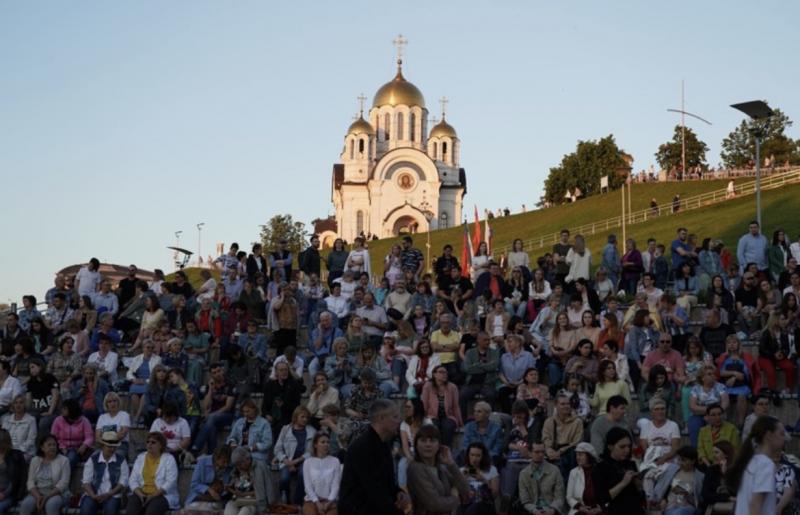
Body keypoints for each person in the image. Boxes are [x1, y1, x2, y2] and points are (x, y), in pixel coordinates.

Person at [339, 399, 411, 515]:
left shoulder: (384, 444)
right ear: (381, 419)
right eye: (395, 417)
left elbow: (386, 484)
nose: (399, 421)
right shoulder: (362, 447)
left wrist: (398, 493)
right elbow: (374, 490)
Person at [727, 416, 785, 515]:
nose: (784, 438)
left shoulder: (751, 461)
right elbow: (755, 504)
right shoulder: (765, 464)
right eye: (781, 434)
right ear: (769, 435)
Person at [407, 424, 470, 515]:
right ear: (416, 445)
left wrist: (451, 464)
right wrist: (456, 498)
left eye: (432, 440)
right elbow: (434, 504)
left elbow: (465, 490)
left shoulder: (441, 468)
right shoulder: (415, 468)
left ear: (439, 445)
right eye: (423, 440)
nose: (428, 444)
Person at [592, 427, 645, 515]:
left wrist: (639, 486)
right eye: (622, 447)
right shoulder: (601, 468)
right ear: (610, 447)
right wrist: (623, 483)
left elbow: (639, 496)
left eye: (629, 446)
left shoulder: (630, 464)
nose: (627, 450)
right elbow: (602, 498)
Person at [127, 432, 179, 515]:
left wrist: (152, 496)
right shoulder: (140, 457)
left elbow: (170, 482)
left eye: (153, 442)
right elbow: (132, 479)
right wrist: (140, 494)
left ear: (161, 445)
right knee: (132, 508)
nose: (149, 444)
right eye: (148, 442)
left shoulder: (169, 459)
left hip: (161, 495)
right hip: (142, 493)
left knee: (152, 511)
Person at [79, 431, 130, 515]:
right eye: (109, 446)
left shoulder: (121, 460)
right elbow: (86, 482)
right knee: (86, 510)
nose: (112, 449)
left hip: (113, 495)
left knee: (111, 511)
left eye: (114, 446)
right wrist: (93, 495)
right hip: (93, 494)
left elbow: (123, 482)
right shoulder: (93, 459)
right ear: (103, 446)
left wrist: (109, 494)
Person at [19, 435, 71, 515]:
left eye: (54, 445)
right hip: (37, 492)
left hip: (57, 493)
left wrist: (47, 497)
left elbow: (63, 483)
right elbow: (30, 482)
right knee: (26, 504)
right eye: (49, 445)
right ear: (42, 448)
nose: (52, 447)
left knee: (51, 505)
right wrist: (38, 496)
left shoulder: (64, 460)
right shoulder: (35, 460)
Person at [274, 406, 316, 505]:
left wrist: (295, 461)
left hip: (303, 461)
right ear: (296, 417)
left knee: (302, 475)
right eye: (302, 417)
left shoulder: (312, 431)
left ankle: (298, 501)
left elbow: (311, 452)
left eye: (307, 417)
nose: (305, 419)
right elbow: (277, 448)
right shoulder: (285, 429)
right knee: (284, 479)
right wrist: (287, 461)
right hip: (287, 460)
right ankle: (286, 497)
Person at [649, 446, 704, 515]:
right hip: (670, 506)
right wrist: (663, 500)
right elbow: (664, 488)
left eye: (683, 460)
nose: (680, 462)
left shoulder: (700, 477)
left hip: (687, 507)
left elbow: (700, 501)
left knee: (678, 513)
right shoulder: (672, 470)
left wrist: (687, 494)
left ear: (693, 461)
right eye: (679, 459)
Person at [542, 393, 584, 481]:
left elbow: (577, 442)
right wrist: (550, 451)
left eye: (568, 404)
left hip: (569, 452)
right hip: (554, 451)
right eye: (562, 404)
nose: (566, 406)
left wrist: (561, 451)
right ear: (556, 405)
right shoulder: (549, 421)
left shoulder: (577, 422)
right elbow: (546, 439)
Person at [517, 440, 566, 515]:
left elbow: (559, 497)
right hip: (533, 510)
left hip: (551, 509)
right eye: (537, 452)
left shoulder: (555, 470)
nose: (540, 455)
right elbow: (524, 500)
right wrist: (535, 511)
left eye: (543, 452)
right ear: (530, 453)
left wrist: (552, 510)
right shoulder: (524, 474)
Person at [420, 365, 462, 448]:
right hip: (431, 416)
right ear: (434, 374)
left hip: (448, 416)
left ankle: (446, 450)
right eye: (441, 372)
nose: (444, 374)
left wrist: (460, 422)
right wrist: (421, 419)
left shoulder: (452, 387)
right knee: (434, 426)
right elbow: (424, 404)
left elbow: (455, 406)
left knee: (448, 427)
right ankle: (435, 449)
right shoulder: (428, 386)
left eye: (445, 372)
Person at [223, 446, 270, 515]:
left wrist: (243, 494)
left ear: (247, 459)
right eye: (236, 465)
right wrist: (229, 488)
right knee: (229, 510)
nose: (238, 467)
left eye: (239, 464)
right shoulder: (236, 471)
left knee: (245, 511)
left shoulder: (259, 468)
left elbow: (260, 493)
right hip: (237, 501)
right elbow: (234, 490)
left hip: (252, 503)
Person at [303, 432, 341, 515]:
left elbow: (336, 485)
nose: (326, 444)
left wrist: (329, 502)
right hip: (312, 501)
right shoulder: (308, 462)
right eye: (323, 442)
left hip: (330, 501)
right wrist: (317, 502)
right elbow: (308, 486)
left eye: (328, 442)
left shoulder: (335, 461)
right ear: (315, 445)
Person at [226, 399, 273, 464]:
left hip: (257, 455)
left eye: (248, 411)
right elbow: (231, 437)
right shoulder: (239, 422)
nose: (245, 414)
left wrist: (252, 448)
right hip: (239, 454)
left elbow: (267, 443)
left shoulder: (264, 423)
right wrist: (232, 442)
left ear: (254, 409)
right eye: (244, 412)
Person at [51, 398, 93, 468]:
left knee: (71, 458)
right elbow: (53, 436)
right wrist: (62, 447)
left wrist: (84, 445)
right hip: (60, 447)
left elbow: (89, 437)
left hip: (77, 448)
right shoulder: (58, 420)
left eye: (64, 409)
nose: (62, 410)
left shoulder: (84, 421)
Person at [460, 442, 499, 515]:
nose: (474, 458)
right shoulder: (462, 470)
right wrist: (463, 480)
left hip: (486, 506)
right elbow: (456, 493)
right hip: (467, 505)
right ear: (468, 455)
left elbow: (495, 495)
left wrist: (484, 480)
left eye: (478, 456)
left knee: (477, 506)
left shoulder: (491, 470)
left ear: (483, 457)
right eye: (472, 455)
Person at [566, 442, 601, 515]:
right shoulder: (574, 472)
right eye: (577, 455)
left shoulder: (600, 471)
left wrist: (600, 508)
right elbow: (569, 497)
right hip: (580, 510)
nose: (578, 457)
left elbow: (608, 495)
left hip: (599, 510)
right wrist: (580, 507)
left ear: (589, 456)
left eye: (581, 455)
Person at [94, 392, 131, 460]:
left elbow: (122, 435)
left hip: (120, 445)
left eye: (114, 401)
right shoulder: (102, 417)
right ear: (106, 404)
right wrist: (115, 434)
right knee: (94, 457)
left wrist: (105, 435)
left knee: (117, 456)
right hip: (104, 446)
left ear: (118, 402)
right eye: (109, 401)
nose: (112, 403)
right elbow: (97, 438)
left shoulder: (124, 415)